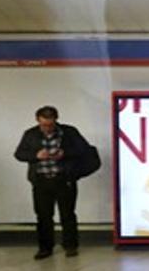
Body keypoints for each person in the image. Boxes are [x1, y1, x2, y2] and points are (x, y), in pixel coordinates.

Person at [14, 106, 91, 260]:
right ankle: (45, 248)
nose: (47, 128)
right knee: (43, 216)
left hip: (64, 178)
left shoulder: (69, 132)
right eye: (44, 125)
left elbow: (85, 150)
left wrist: (65, 153)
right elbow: (19, 154)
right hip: (41, 180)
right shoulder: (30, 134)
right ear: (38, 121)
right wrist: (36, 155)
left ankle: (70, 246)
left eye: (50, 125)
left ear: (56, 120)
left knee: (67, 214)